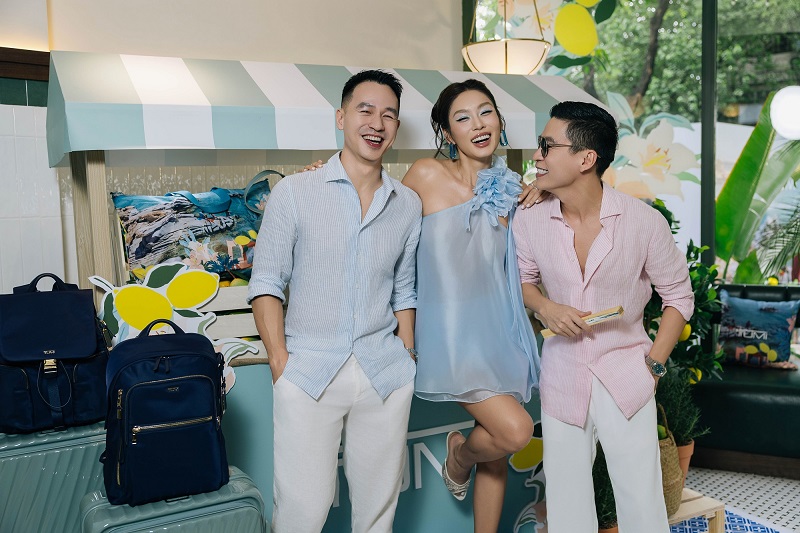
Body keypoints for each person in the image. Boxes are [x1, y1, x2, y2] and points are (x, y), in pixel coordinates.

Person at [248, 69, 422, 533]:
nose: (377, 123)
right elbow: (266, 282)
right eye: (365, 110)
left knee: (378, 512)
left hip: (384, 371)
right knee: (303, 511)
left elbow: (404, 289)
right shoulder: (294, 192)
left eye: (389, 115)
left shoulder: (407, 203)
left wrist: (406, 355)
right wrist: (280, 362)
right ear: (341, 117)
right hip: (308, 371)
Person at [511, 101, 695, 533]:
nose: (537, 155)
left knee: (641, 503)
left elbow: (678, 297)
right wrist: (546, 307)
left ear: (585, 159)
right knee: (566, 502)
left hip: (627, 372)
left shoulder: (643, 222)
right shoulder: (530, 217)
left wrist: (653, 367)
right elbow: (522, 281)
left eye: (547, 146)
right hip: (562, 373)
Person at [402, 79, 542, 533]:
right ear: (447, 133)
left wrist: (544, 193)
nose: (478, 124)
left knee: (497, 455)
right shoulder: (425, 174)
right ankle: (460, 456)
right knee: (515, 431)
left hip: (501, 333)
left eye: (486, 112)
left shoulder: (513, 190)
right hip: (449, 337)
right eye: (463, 118)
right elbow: (381, 227)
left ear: (499, 121)